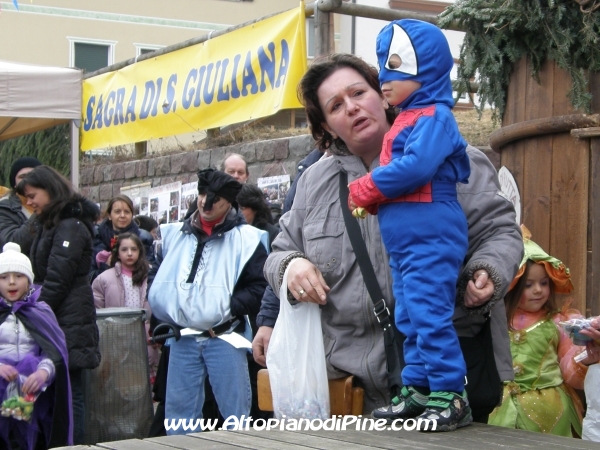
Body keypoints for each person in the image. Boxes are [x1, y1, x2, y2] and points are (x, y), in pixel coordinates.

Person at [253, 53, 522, 423]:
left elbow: (500, 231)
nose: (351, 107)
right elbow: (280, 250)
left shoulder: (449, 152)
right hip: (352, 389)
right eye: (335, 105)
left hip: (447, 376)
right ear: (328, 126)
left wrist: (487, 270)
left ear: (382, 95)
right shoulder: (314, 183)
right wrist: (290, 265)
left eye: (358, 93)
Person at [346, 20, 472, 429]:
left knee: (428, 312)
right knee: (409, 314)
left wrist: (368, 187)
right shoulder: (409, 117)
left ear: (428, 67)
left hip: (430, 232)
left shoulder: (434, 117)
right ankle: (418, 387)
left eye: (396, 65)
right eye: (383, 66)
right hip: (405, 238)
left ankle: (451, 393)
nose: (385, 78)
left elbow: (416, 167)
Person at [148, 168, 269, 435]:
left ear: (229, 202)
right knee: (178, 419)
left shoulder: (246, 240)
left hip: (225, 337)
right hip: (183, 339)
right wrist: (162, 312)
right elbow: (159, 275)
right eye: (202, 194)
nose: (206, 201)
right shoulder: (174, 236)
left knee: (236, 418)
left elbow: (260, 285)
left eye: (214, 197)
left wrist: (228, 307)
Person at [16, 165, 101, 445]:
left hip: (67, 319)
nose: (29, 203)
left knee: (71, 390)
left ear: (50, 189)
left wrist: (32, 314)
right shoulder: (49, 223)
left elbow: (57, 280)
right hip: (55, 316)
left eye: (32, 195)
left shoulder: (71, 226)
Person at [488, 227, 599, 437]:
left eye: (544, 283)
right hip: (500, 410)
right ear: (512, 287)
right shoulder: (495, 321)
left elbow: (569, 369)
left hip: (550, 411)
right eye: (528, 285)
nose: (538, 290)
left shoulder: (560, 323)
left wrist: (585, 360)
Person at [0, 242, 72, 450]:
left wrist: (43, 372)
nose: (11, 283)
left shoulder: (41, 311)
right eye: (4, 277)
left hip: (33, 394)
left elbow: (55, 351)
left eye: (19, 276)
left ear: (29, 280)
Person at [92, 232, 159, 380]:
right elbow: (96, 311)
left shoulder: (151, 275)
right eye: (124, 249)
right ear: (117, 252)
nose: (129, 253)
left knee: (143, 379)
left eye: (134, 249)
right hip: (114, 335)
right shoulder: (104, 279)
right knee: (117, 379)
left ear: (140, 251)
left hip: (144, 333)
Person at [90, 195, 155, 282]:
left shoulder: (143, 239)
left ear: (132, 215)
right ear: (109, 215)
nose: (122, 215)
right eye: (117, 212)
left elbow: (150, 274)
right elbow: (88, 277)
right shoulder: (96, 237)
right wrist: (106, 267)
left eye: (127, 212)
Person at [0, 157, 43, 255]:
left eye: (33, 175)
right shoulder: (4, 208)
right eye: (22, 177)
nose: (28, 180)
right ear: (14, 184)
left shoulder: (57, 204)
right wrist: (40, 212)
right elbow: (12, 244)